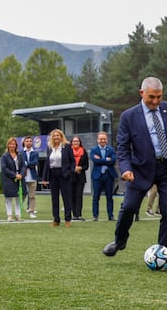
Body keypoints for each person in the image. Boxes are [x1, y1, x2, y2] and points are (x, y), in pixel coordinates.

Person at [103, 77, 167, 256]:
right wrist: (126, 168)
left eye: (159, 97)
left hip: (165, 168)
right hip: (139, 169)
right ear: (142, 93)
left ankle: (163, 252)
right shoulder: (129, 116)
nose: (155, 101)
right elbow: (122, 147)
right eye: (151, 97)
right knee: (129, 207)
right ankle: (119, 241)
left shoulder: (166, 109)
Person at [42, 129, 74, 227]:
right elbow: (47, 163)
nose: (56, 137)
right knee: (54, 198)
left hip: (64, 174)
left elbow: (72, 161)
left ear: (61, 136)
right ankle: (56, 219)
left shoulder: (67, 147)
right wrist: (44, 178)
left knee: (66, 198)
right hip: (53, 174)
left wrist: (70, 172)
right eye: (54, 135)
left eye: (58, 135)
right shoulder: (49, 148)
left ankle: (68, 219)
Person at [91, 131, 118, 221]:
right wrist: (107, 159)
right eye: (101, 139)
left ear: (106, 140)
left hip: (109, 175)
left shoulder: (111, 149)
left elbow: (113, 161)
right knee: (96, 197)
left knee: (109, 197)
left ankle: (110, 215)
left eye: (104, 139)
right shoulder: (94, 150)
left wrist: (102, 159)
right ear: (97, 140)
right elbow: (95, 161)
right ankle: (95, 216)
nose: (102, 140)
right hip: (97, 176)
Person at [1, 137, 25, 222]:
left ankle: (18, 215)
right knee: (9, 198)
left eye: (14, 144)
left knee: (18, 197)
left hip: (19, 178)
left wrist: (21, 175)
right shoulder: (5, 156)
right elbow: (4, 168)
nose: (12, 145)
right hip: (9, 179)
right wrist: (14, 175)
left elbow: (23, 166)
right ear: (8, 145)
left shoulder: (20, 155)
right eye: (10, 144)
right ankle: (9, 215)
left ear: (16, 145)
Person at [70, 136, 89, 221]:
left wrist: (80, 168)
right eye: (74, 141)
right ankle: (74, 214)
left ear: (80, 142)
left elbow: (86, 166)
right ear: (71, 142)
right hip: (71, 176)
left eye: (77, 141)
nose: (75, 143)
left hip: (80, 177)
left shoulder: (84, 152)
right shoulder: (69, 151)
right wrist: (74, 168)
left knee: (79, 195)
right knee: (72, 196)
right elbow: (66, 163)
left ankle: (79, 214)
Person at [21, 136, 39, 219]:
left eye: (30, 141)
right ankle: (19, 210)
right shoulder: (21, 153)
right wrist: (27, 164)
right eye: (27, 141)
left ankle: (31, 211)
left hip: (32, 177)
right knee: (22, 195)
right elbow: (20, 163)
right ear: (24, 142)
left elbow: (35, 162)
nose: (28, 142)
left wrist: (26, 164)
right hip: (23, 177)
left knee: (32, 196)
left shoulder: (35, 153)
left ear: (32, 143)